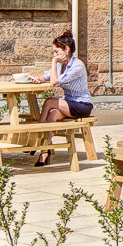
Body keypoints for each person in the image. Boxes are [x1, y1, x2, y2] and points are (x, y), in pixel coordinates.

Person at [31, 29, 91, 167]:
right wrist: (38, 79)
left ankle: (37, 139)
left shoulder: (77, 66)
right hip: (69, 103)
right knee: (52, 115)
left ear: (67, 49)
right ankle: (44, 153)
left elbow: (54, 82)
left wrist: (53, 62)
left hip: (82, 105)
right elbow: (47, 76)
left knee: (49, 101)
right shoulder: (60, 65)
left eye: (56, 52)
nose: (55, 55)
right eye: (54, 52)